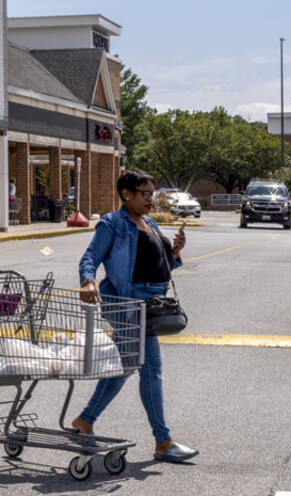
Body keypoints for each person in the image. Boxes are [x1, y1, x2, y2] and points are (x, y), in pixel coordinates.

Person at [71, 168, 199, 464]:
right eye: (145, 194)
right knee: (149, 368)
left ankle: (86, 420)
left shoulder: (150, 223)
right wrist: (88, 280)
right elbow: (90, 256)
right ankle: (163, 442)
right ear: (127, 194)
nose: (150, 199)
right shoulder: (113, 223)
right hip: (126, 301)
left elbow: (164, 263)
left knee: (129, 363)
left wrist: (175, 253)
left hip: (150, 304)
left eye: (152, 193)